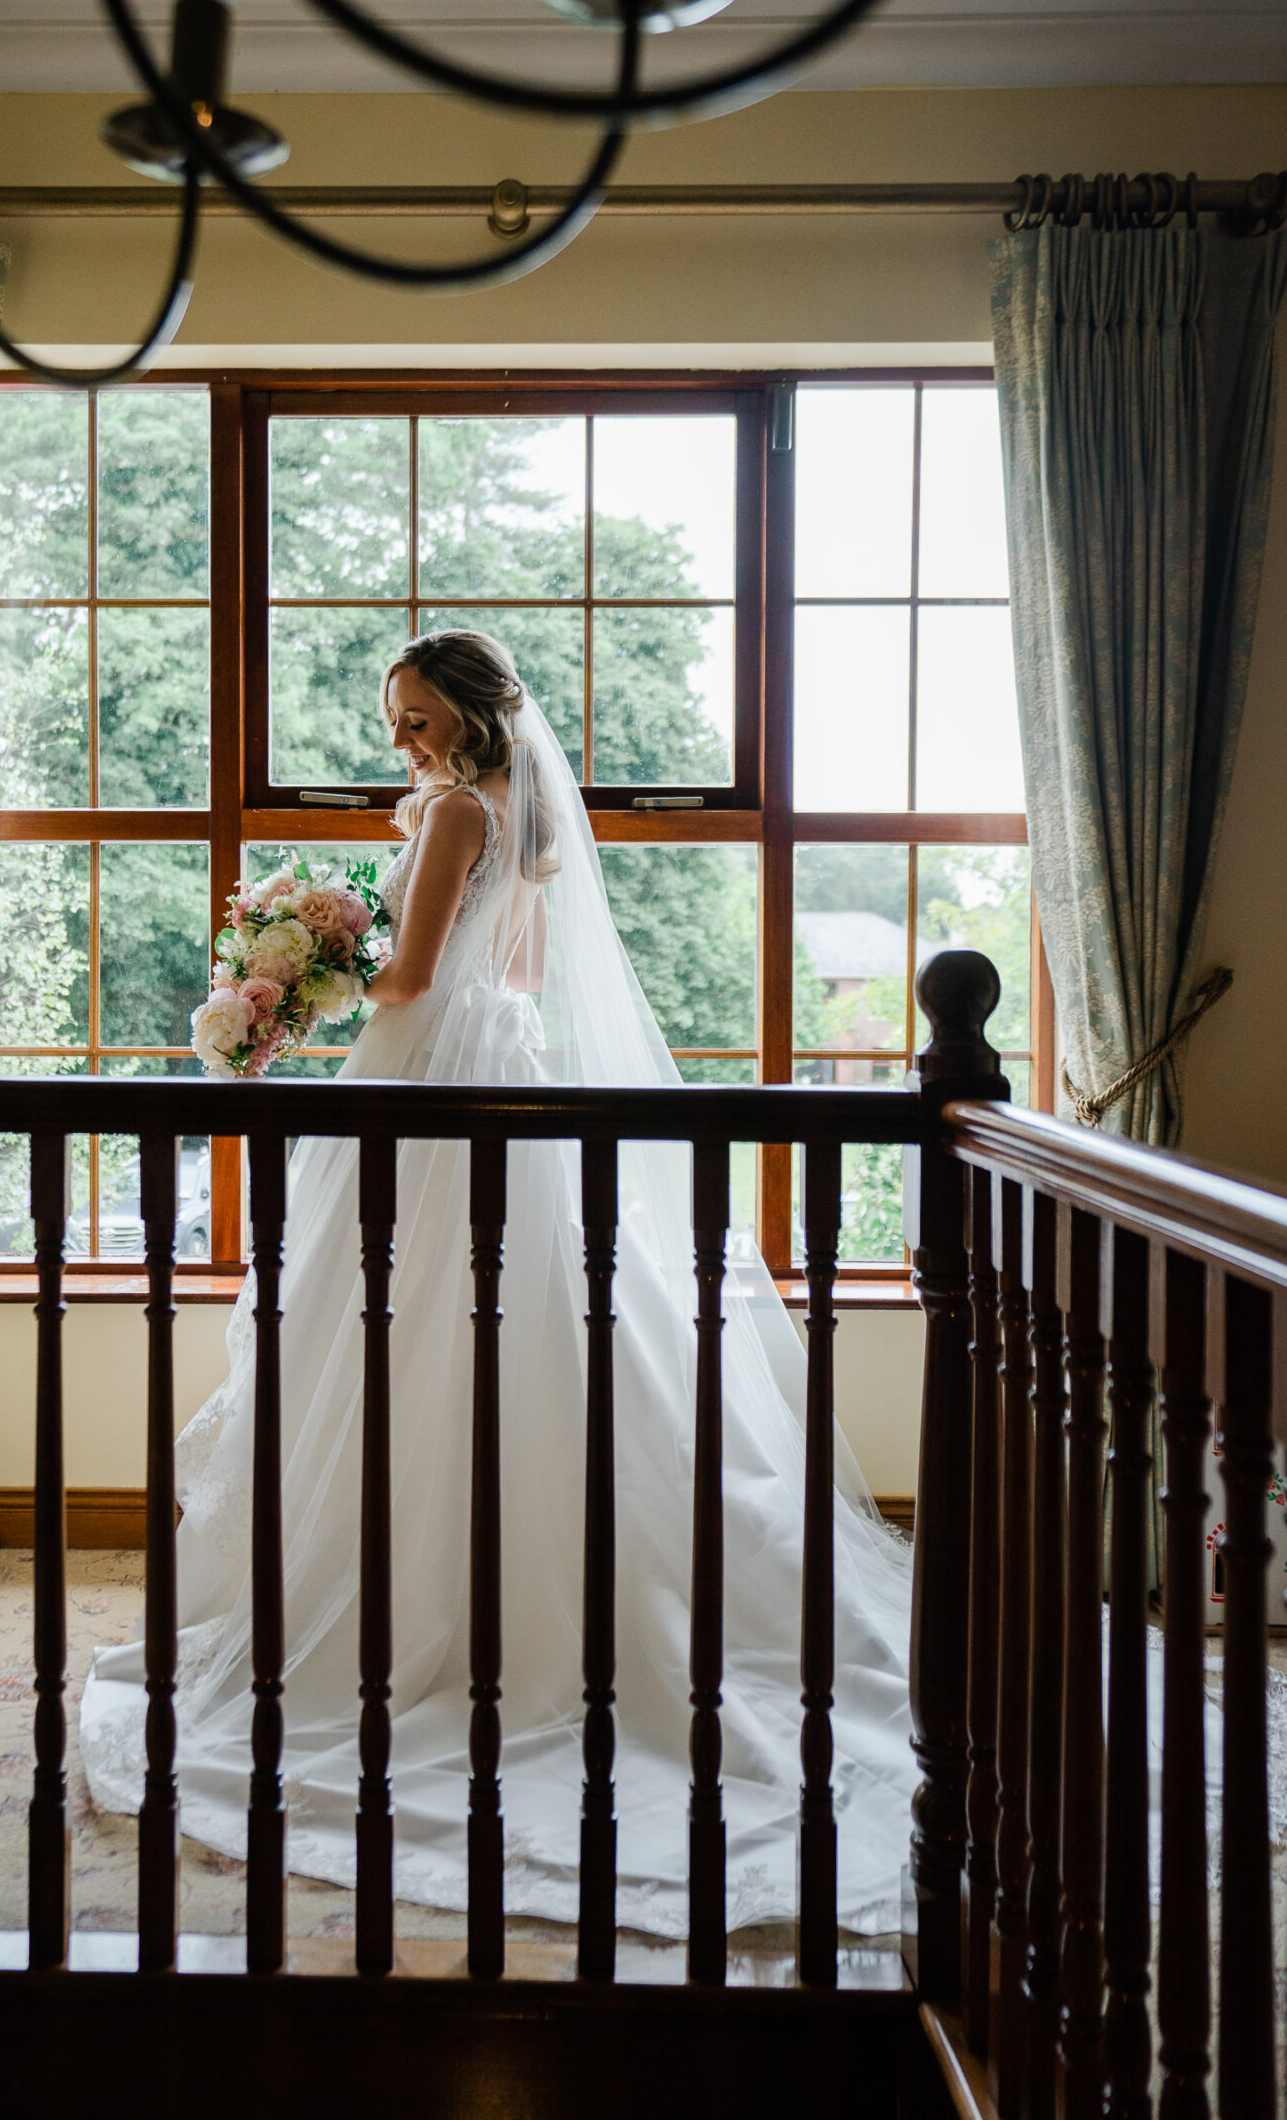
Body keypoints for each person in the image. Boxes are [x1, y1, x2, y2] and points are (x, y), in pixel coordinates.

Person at [80, 628, 920, 1937]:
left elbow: (410, 976)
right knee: (481, 1320)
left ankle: (446, 1608)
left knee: (411, 1313)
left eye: (416, 718)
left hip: (433, 1068)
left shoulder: (464, 809)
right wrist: (319, 962)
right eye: (395, 719)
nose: (400, 740)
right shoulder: (496, 806)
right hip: (493, 1051)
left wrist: (295, 984)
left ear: (469, 717)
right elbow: (511, 967)